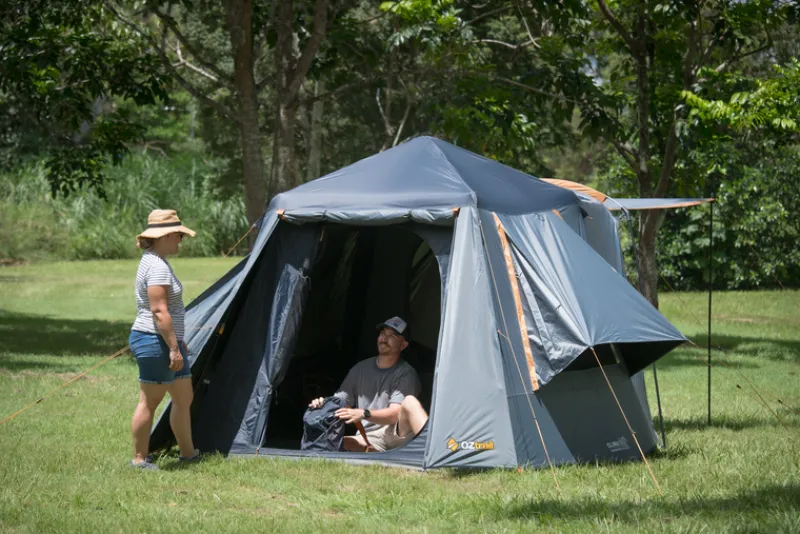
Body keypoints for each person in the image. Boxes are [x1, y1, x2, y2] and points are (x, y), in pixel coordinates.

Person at [128, 209, 200, 469]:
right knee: (149, 401)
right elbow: (159, 311)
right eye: (178, 235)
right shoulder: (156, 266)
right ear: (165, 236)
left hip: (167, 342)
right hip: (154, 340)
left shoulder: (155, 260)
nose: (180, 240)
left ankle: (189, 453)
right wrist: (173, 347)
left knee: (184, 398)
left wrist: (177, 341)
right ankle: (138, 460)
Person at [308, 316, 429, 452]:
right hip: (368, 437)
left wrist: (364, 414)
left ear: (403, 345)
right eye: (382, 333)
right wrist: (323, 403)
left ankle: (432, 452)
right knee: (337, 443)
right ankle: (374, 453)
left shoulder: (406, 373)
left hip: (397, 434)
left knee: (410, 402)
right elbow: (340, 401)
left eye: (392, 336)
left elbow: (395, 414)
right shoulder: (360, 369)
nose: (384, 339)